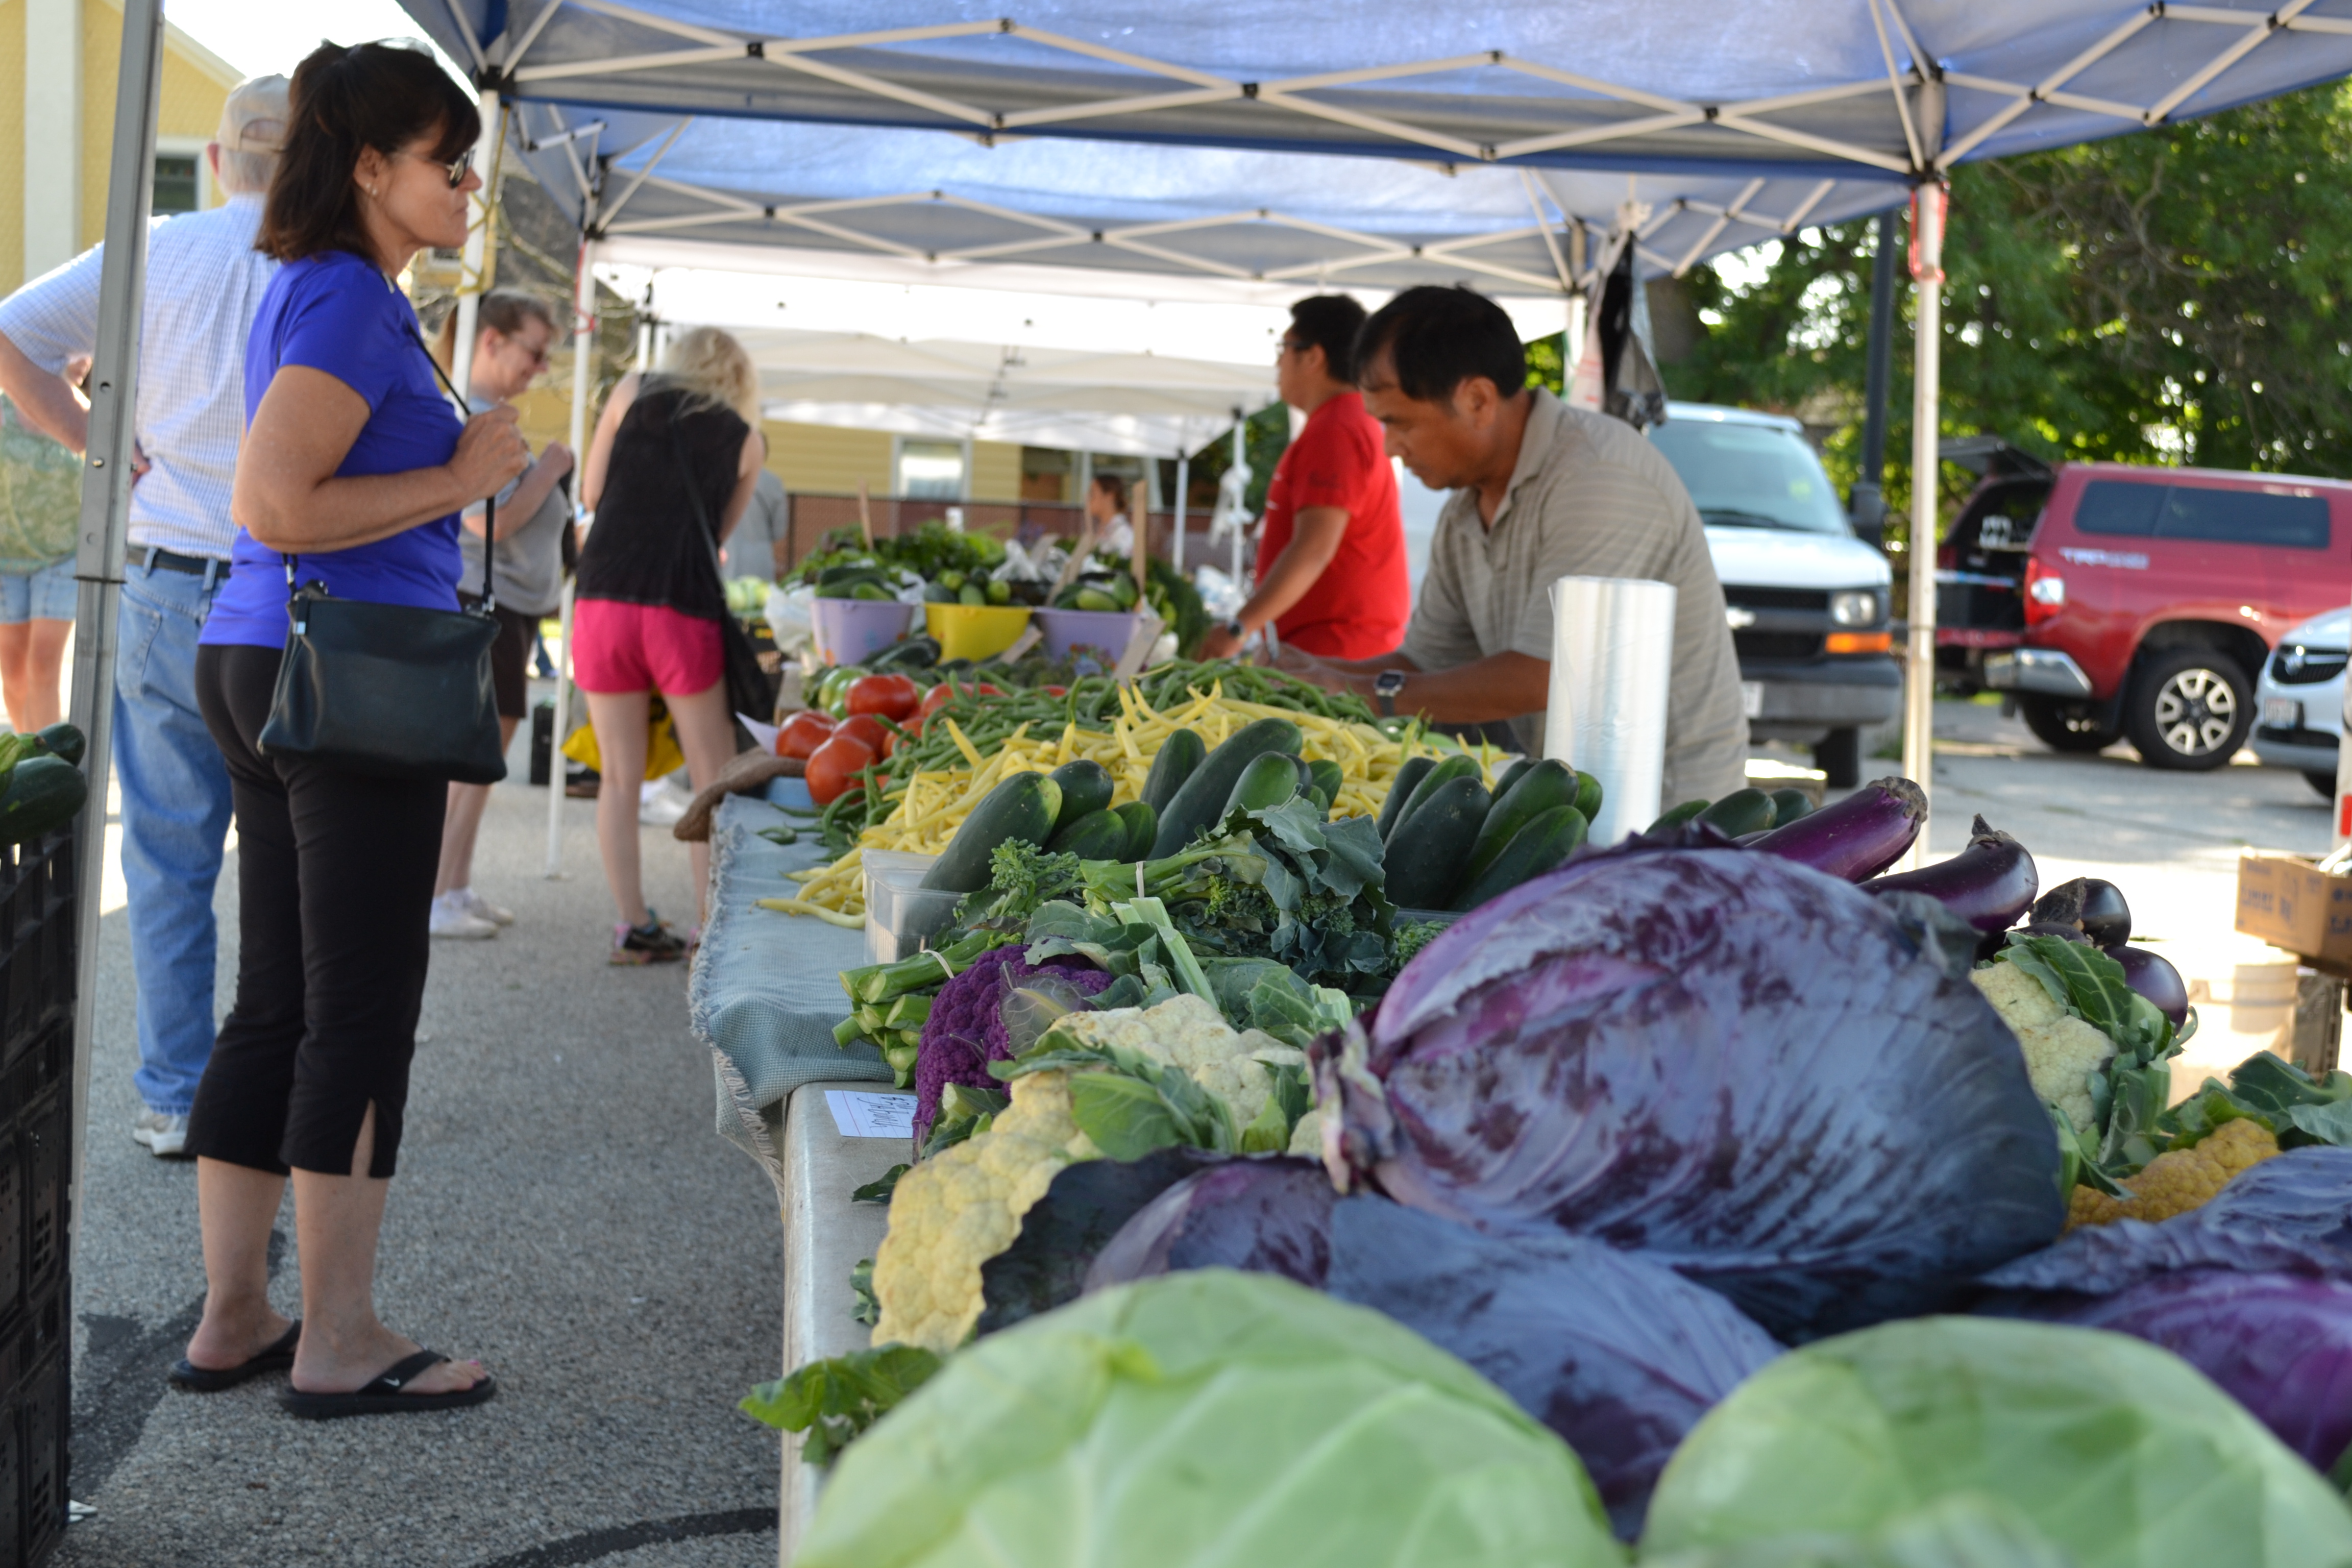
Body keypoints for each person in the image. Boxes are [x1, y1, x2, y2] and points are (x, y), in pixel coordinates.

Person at [178, 41, 524, 1413]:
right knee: (358, 1014)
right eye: (450, 161)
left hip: (267, 661)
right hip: (344, 677)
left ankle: (238, 1316)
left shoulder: (330, 290)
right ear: (371, 166)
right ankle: (340, 1339)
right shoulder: (346, 304)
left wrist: (455, 474)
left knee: (279, 1002)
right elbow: (273, 503)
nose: (468, 186)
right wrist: (460, 471)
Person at [0, 73, 290, 1159]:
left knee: (170, 862)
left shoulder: (161, 248)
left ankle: (173, 1096)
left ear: (220, 160)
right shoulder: (327, 267)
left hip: (166, 575)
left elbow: (9, 335)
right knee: (283, 852)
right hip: (278, 583)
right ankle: (273, 1091)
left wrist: (94, 445)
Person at [1278, 285, 1748, 806]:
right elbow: (1426, 663)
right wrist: (1312, 679)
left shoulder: (1600, 475)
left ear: (1477, 399)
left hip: (1669, 810)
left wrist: (1363, 692)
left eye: (1399, 422)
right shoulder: (1463, 510)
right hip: (1569, 797)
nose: (1390, 447)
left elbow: (1550, 675)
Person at [575, 326, 764, 962]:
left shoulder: (630, 391)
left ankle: (633, 925)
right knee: (711, 778)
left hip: (603, 598)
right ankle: (708, 929)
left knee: (619, 778)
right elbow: (718, 534)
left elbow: (592, 494)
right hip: (679, 609)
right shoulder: (747, 443)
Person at [427, 289, 573, 940]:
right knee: (473, 747)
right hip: (478, 596)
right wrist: (550, 470)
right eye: (535, 352)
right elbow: (489, 520)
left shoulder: (484, 413)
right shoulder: (470, 415)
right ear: (492, 340)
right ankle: (437, 890)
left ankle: (453, 884)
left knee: (485, 747)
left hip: (502, 602)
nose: (540, 368)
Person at [1196, 295, 1408, 661]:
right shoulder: (1341, 422)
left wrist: (1238, 628)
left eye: (1285, 348)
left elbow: (1313, 548)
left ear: (1313, 356)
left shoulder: (1336, 429)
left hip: (1334, 649)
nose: (1278, 362)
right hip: (1329, 646)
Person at [0, 377, 85, 730]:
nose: (83, 360)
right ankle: (24, 759)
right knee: (13, 672)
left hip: (64, 556)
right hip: (7, 557)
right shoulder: (4, 405)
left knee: (43, 664)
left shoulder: (86, 413)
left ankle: (46, 770)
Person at [720, 433, 786, 579]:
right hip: (761, 559)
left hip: (728, 557)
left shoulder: (721, 477)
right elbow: (779, 531)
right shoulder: (774, 483)